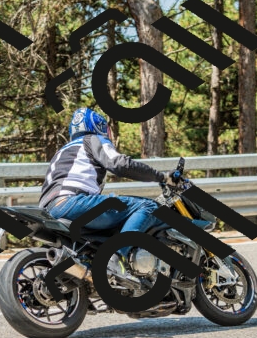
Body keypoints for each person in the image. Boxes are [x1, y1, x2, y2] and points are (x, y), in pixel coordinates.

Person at [39, 107, 178, 282]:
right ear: (99, 126)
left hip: (49, 209)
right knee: (147, 205)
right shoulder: (93, 140)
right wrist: (162, 177)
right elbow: (119, 164)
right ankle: (116, 260)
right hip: (73, 202)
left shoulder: (63, 151)